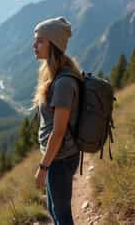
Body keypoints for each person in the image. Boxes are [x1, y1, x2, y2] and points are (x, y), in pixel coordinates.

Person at [32, 17, 82, 225]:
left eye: (40, 41)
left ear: (53, 45)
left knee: (61, 214)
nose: (34, 45)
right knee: (54, 209)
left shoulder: (62, 83)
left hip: (59, 159)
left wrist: (43, 168)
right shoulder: (54, 76)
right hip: (57, 158)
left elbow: (59, 131)